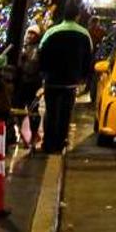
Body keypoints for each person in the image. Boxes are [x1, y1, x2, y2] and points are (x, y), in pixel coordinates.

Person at [36, 8, 92, 154]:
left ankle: (48, 143)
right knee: (65, 112)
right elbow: (88, 57)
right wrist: (83, 77)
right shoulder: (84, 34)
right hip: (71, 81)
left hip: (52, 79)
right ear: (77, 16)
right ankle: (60, 142)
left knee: (51, 111)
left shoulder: (51, 32)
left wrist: (43, 73)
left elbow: (40, 52)